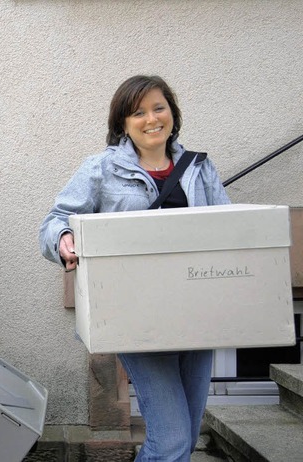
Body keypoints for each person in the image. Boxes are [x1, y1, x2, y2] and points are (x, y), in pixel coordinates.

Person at [39, 75, 230, 462]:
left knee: (183, 436)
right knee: (174, 439)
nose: (151, 119)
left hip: (198, 315)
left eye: (159, 108)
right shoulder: (101, 169)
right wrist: (63, 238)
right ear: (123, 124)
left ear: (172, 114)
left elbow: (228, 231)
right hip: (137, 317)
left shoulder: (199, 169)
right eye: (138, 112)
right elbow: (55, 219)